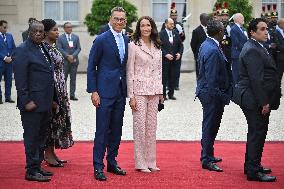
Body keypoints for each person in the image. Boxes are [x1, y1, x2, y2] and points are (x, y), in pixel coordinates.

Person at [87, 6, 129, 181]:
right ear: (110, 20)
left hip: (120, 91)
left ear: (125, 21)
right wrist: (94, 91)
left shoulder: (127, 40)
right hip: (104, 92)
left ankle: (112, 162)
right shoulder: (101, 39)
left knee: (117, 129)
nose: (119, 22)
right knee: (102, 130)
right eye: (116, 18)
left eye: (122, 19)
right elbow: (91, 66)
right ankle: (98, 166)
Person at [235, 18, 279, 182]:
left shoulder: (258, 46)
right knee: (257, 133)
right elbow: (256, 79)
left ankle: (252, 165)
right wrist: (264, 102)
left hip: (254, 97)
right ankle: (253, 171)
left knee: (256, 132)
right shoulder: (252, 49)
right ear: (252, 32)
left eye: (266, 28)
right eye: (262, 29)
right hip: (254, 99)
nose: (266, 31)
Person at [13, 21, 55, 182]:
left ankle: (37, 167)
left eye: (41, 31)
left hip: (44, 102)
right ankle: (31, 170)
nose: (38, 33)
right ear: (29, 32)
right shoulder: (22, 50)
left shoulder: (42, 47)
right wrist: (25, 101)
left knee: (41, 137)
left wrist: (52, 100)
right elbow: (20, 79)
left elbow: (48, 75)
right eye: (35, 31)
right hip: (32, 104)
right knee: (32, 137)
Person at [127, 16, 163, 173]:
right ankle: (140, 162)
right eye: (143, 26)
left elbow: (159, 71)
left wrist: (161, 92)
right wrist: (131, 96)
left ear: (152, 27)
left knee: (151, 127)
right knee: (140, 127)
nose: (146, 28)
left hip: (154, 91)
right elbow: (129, 71)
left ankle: (151, 161)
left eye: (148, 25)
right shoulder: (133, 46)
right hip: (139, 91)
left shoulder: (157, 46)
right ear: (139, 28)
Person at [195, 19, 232, 172]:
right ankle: (207, 159)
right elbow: (211, 78)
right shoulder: (211, 49)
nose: (224, 32)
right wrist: (220, 96)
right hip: (212, 95)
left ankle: (208, 153)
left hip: (209, 93)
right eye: (223, 30)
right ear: (219, 32)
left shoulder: (207, 44)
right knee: (210, 126)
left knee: (211, 125)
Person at [41, 19, 74, 168]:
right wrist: (53, 96)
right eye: (54, 30)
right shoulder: (44, 49)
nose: (57, 32)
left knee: (57, 123)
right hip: (52, 91)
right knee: (51, 123)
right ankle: (47, 155)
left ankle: (52, 153)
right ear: (46, 32)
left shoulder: (52, 47)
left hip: (60, 91)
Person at [159, 18, 183, 100]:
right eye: (170, 24)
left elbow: (181, 45)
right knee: (164, 78)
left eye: (173, 24)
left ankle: (171, 94)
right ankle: (163, 95)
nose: (172, 25)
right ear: (166, 24)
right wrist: (165, 54)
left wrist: (179, 53)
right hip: (165, 60)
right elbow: (159, 47)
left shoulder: (176, 33)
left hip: (174, 61)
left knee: (173, 77)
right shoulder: (161, 34)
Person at [57, 22, 81, 101]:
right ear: (64, 28)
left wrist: (73, 56)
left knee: (73, 79)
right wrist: (67, 56)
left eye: (71, 27)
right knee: (64, 79)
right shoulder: (60, 38)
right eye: (68, 27)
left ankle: (72, 95)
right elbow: (59, 48)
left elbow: (78, 48)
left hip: (74, 61)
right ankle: (63, 95)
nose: (70, 28)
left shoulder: (76, 37)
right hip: (65, 61)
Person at [0, 20, 16, 104]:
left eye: (7, 27)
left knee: (9, 80)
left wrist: (11, 57)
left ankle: (8, 97)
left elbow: (14, 48)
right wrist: (4, 57)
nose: (6, 29)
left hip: (9, 63)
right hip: (1, 62)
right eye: (4, 27)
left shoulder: (9, 36)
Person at [190, 13, 209, 80]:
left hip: (209, 56)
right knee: (200, 75)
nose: (208, 21)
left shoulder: (210, 29)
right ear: (201, 20)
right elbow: (193, 45)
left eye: (208, 19)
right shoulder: (196, 31)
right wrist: (197, 54)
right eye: (206, 19)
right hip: (200, 57)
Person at [230, 13, 247, 85]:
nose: (243, 19)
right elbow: (236, 43)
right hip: (237, 55)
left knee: (241, 75)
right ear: (237, 19)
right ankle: (235, 93)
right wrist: (246, 49)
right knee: (236, 76)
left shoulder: (241, 29)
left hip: (242, 54)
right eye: (242, 18)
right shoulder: (234, 29)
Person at [274, 18, 284, 85]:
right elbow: (278, 45)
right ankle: (277, 91)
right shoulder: (275, 32)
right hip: (280, 58)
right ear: (280, 24)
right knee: (278, 76)